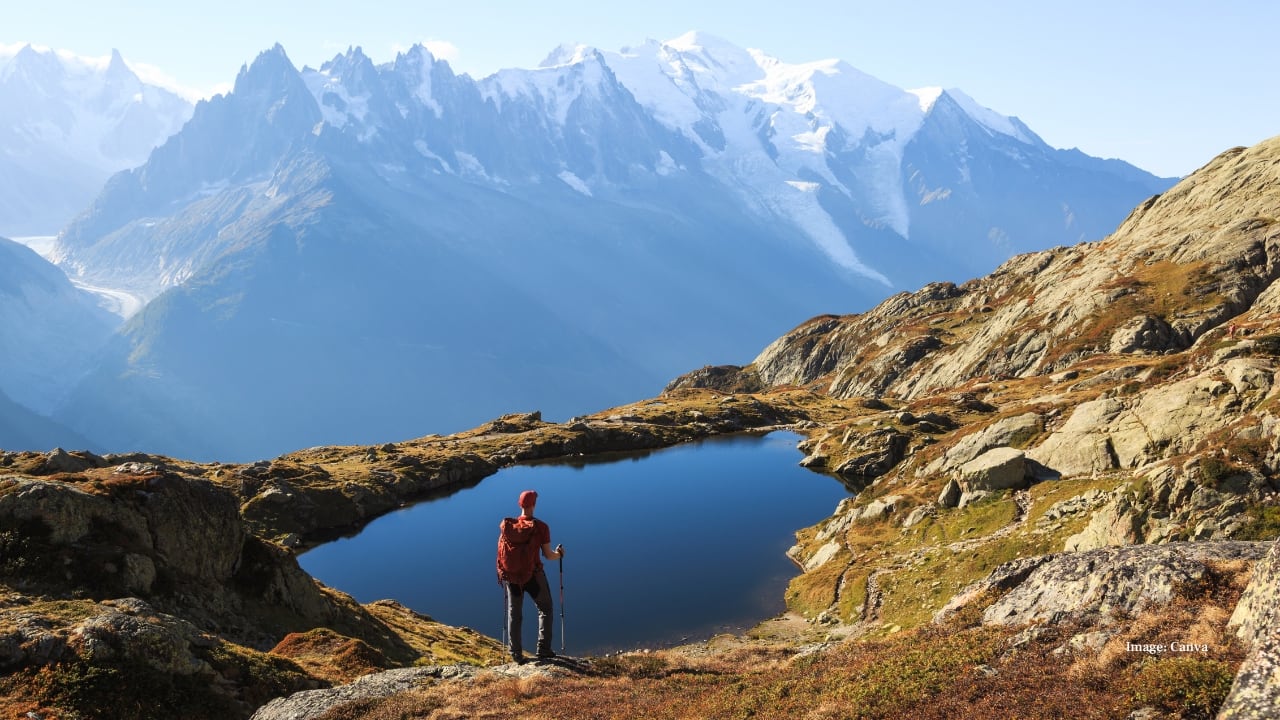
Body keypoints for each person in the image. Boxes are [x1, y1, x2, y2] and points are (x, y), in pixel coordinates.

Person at [499, 490, 564, 664]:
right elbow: (549, 555)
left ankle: (516, 654)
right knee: (546, 609)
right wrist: (559, 554)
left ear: (520, 505)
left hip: (512, 577)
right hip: (533, 576)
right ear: (534, 505)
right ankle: (543, 650)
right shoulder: (541, 527)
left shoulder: (507, 527)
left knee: (515, 614)